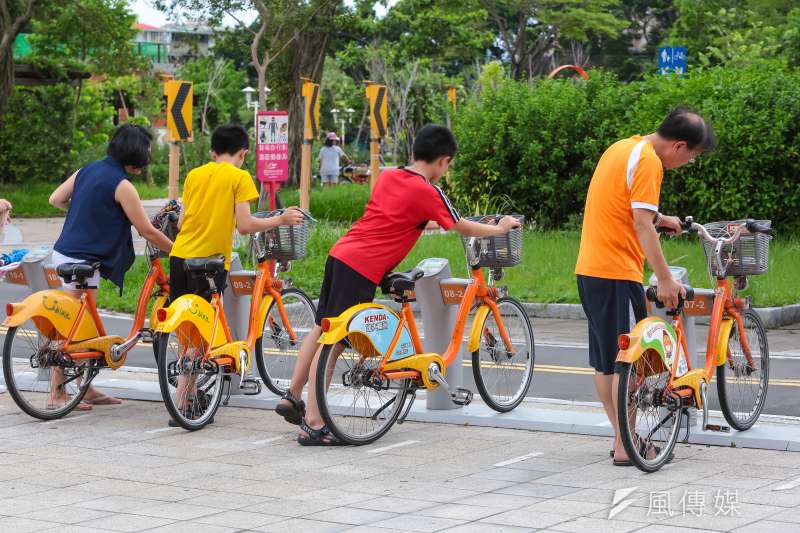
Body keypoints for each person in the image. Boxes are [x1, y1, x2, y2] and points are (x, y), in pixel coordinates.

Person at [275, 124, 521, 445]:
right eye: (448, 166)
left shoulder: (389, 175)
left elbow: (398, 214)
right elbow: (460, 226)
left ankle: (292, 395)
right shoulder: (428, 191)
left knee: (323, 329)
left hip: (341, 254)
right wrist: (500, 228)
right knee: (334, 341)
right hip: (363, 265)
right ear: (444, 161)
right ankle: (314, 421)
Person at [574, 107, 717, 466]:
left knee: (608, 363)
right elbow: (641, 225)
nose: (688, 163)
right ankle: (626, 444)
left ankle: (624, 438)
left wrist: (661, 218)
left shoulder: (623, 148)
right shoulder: (651, 162)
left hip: (591, 270)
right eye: (693, 157)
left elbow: (629, 208)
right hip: (616, 273)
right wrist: (666, 279)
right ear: (680, 146)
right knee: (627, 367)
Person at [167, 123, 304, 426]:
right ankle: (183, 404)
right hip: (210, 260)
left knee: (186, 331)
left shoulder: (194, 175)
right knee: (201, 335)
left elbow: (182, 222)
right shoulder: (240, 177)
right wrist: (280, 218)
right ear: (243, 153)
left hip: (179, 256)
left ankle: (186, 397)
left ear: (213, 152)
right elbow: (244, 225)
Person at [48, 124, 174, 410]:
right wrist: (179, 251)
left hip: (63, 252)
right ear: (137, 154)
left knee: (84, 323)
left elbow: (55, 199)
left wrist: (89, 212)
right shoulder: (123, 186)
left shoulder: (87, 170)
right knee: (71, 328)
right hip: (84, 259)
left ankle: (85, 385)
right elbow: (147, 231)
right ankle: (57, 393)